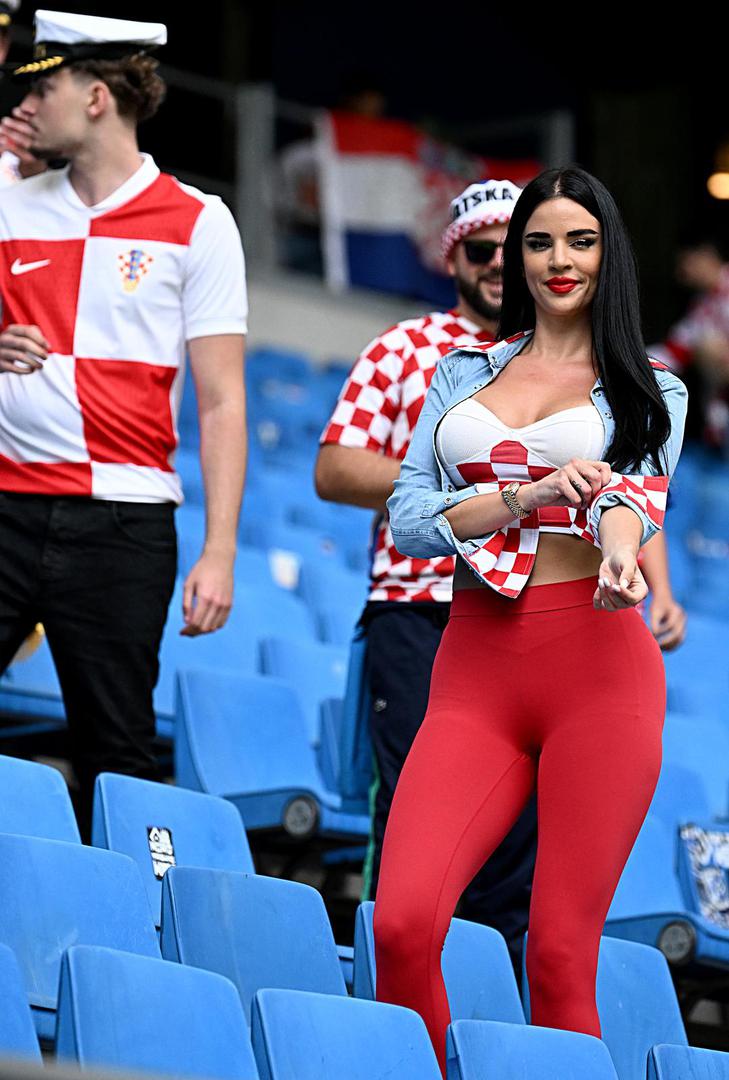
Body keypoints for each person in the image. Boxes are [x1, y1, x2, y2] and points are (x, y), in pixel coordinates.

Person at [373, 165, 688, 1076]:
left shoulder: (651, 387)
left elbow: (632, 496)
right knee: (400, 924)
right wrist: (525, 495)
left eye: (580, 242)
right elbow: (407, 518)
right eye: (540, 241)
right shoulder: (460, 373)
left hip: (598, 670)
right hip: (474, 666)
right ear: (515, 256)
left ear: (607, 254)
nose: (559, 260)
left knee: (556, 954)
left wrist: (621, 551)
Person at [0, 11, 247, 836]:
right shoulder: (8, 199)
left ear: (97, 97)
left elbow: (222, 399)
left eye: (45, 88)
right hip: (7, 502)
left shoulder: (199, 220)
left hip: (124, 525)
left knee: (118, 752)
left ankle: (132, 906)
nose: (27, 105)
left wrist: (219, 551)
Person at [316, 179, 542, 962]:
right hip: (420, 605)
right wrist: (466, 494)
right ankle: (391, 992)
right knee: (417, 813)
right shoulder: (403, 346)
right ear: (453, 259)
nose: (498, 265)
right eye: (480, 250)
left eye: (514, 249)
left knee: (516, 832)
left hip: (525, 612)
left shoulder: (560, 362)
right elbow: (335, 468)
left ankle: (488, 1006)